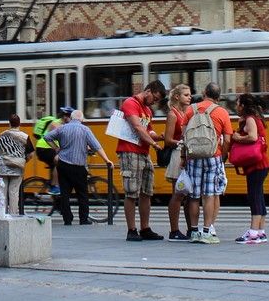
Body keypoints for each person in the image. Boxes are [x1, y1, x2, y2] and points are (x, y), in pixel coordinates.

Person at [184, 83, 236, 244]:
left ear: (204, 92)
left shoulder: (190, 110)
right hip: (214, 156)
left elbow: (184, 135)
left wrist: (185, 156)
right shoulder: (222, 112)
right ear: (218, 96)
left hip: (193, 156)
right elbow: (228, 139)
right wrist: (223, 154)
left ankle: (194, 231)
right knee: (209, 195)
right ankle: (207, 232)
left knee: (194, 196)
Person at [116, 78, 167, 241]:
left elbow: (148, 130)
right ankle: (131, 230)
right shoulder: (130, 103)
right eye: (155, 98)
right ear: (148, 91)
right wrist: (153, 143)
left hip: (143, 152)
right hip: (129, 151)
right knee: (131, 192)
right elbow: (138, 127)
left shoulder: (147, 110)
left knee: (146, 191)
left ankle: (145, 228)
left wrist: (158, 137)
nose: (154, 102)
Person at [44, 109, 113, 225]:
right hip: (79, 167)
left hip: (63, 165)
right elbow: (97, 146)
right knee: (82, 194)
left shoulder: (62, 128)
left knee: (65, 193)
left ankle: (67, 219)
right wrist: (107, 160)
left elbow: (47, 137)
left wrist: (56, 148)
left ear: (71, 118)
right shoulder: (85, 130)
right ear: (81, 119)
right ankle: (83, 219)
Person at [231, 91, 269, 245]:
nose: (236, 106)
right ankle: (260, 232)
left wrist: (238, 137)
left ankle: (253, 233)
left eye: (237, 103)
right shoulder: (255, 118)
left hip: (257, 164)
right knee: (259, 196)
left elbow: (253, 137)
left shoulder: (250, 119)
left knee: (254, 197)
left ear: (243, 105)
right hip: (262, 164)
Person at [162, 83, 198, 240]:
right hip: (178, 155)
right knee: (178, 194)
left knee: (189, 194)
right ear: (177, 97)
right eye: (186, 95)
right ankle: (174, 230)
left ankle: (191, 229)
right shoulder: (173, 114)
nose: (190, 97)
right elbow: (168, 139)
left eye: (190, 95)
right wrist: (182, 142)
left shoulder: (187, 112)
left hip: (187, 154)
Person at [0, 114, 31, 216]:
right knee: (14, 192)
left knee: (2, 192)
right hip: (17, 168)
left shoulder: (1, 135)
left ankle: (2, 214)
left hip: (2, 167)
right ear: (19, 124)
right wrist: (23, 161)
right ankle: (12, 215)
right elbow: (31, 154)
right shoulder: (25, 137)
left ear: (9, 124)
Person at [32, 109, 64, 194]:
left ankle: (53, 185)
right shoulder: (57, 124)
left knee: (57, 164)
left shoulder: (59, 123)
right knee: (58, 162)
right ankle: (54, 186)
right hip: (45, 148)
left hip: (46, 148)